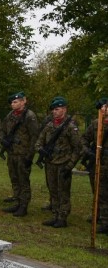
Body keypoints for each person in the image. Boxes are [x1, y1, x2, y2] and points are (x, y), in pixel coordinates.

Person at [35, 96, 82, 228]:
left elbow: (78, 148)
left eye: (57, 109)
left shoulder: (70, 127)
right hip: (50, 164)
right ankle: (55, 214)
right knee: (53, 190)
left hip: (63, 164)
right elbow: (39, 141)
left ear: (64, 109)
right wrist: (41, 150)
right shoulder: (49, 125)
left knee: (63, 192)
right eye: (53, 110)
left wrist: (70, 165)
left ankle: (62, 217)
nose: (54, 112)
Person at [0, 91, 40, 216]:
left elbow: (34, 137)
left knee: (23, 181)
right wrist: (3, 140)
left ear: (23, 101)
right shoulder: (10, 115)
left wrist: (30, 156)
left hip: (23, 154)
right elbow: (2, 130)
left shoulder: (29, 116)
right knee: (14, 179)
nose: (13, 104)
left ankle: (23, 205)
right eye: (12, 102)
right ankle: (17, 201)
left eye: (15, 102)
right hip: (12, 153)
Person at [81, 97, 108, 234]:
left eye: (106, 106)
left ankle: (105, 221)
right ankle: (99, 217)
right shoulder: (96, 123)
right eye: (102, 107)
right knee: (98, 192)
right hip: (97, 163)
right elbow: (84, 139)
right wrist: (89, 152)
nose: (104, 109)